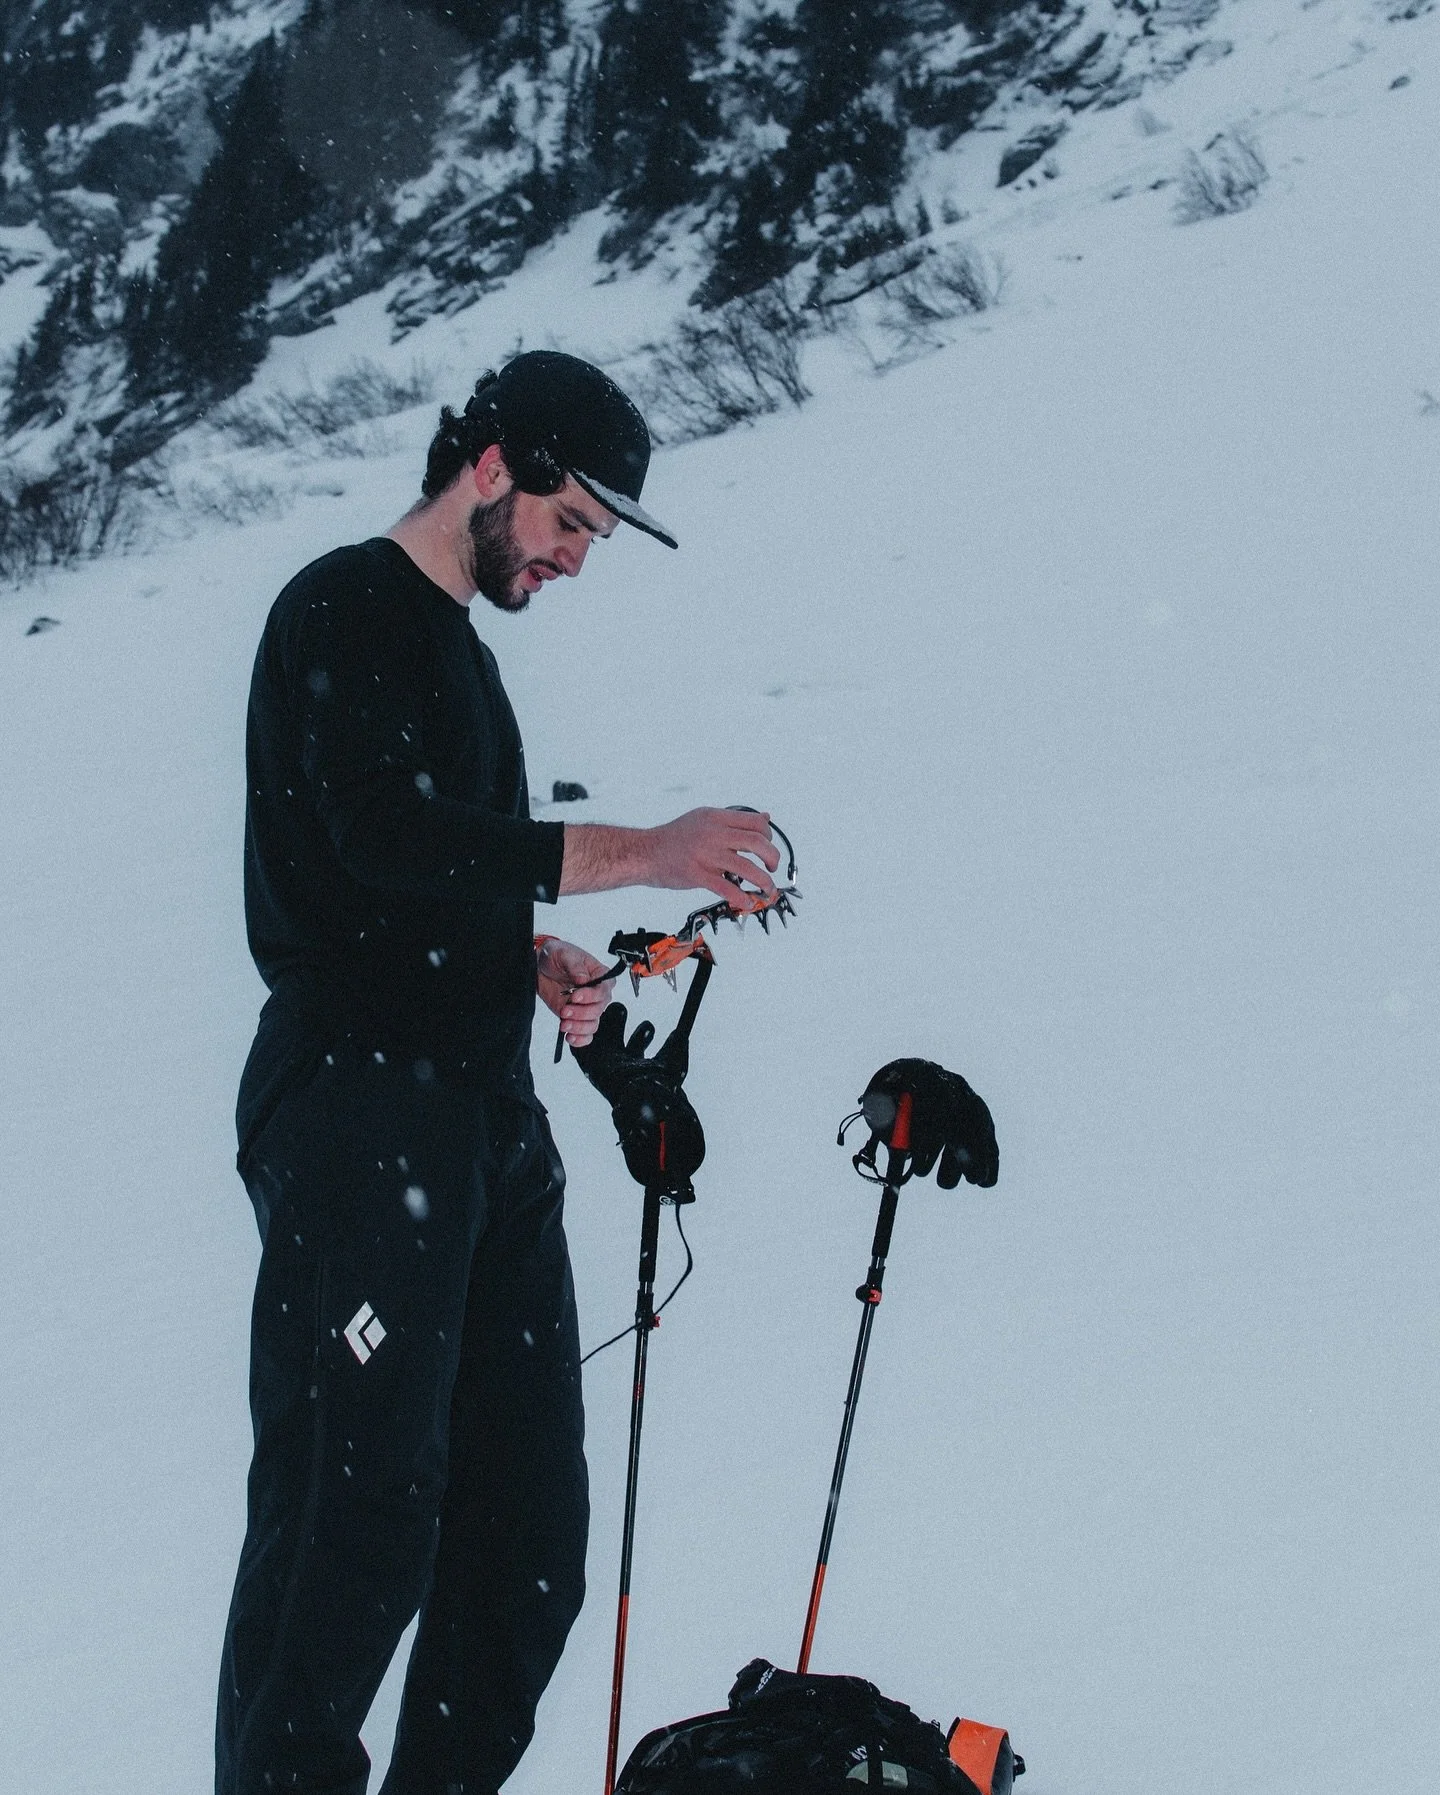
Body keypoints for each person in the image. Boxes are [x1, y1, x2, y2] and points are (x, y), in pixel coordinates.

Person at [218, 351, 780, 1795]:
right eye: (571, 521)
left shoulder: (464, 664)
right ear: (491, 469)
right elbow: (381, 839)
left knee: (527, 1543)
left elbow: (418, 881)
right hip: (358, 1108)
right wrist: (648, 850)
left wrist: (520, 951)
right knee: (356, 1515)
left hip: (483, 1121)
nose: (578, 558)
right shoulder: (343, 607)